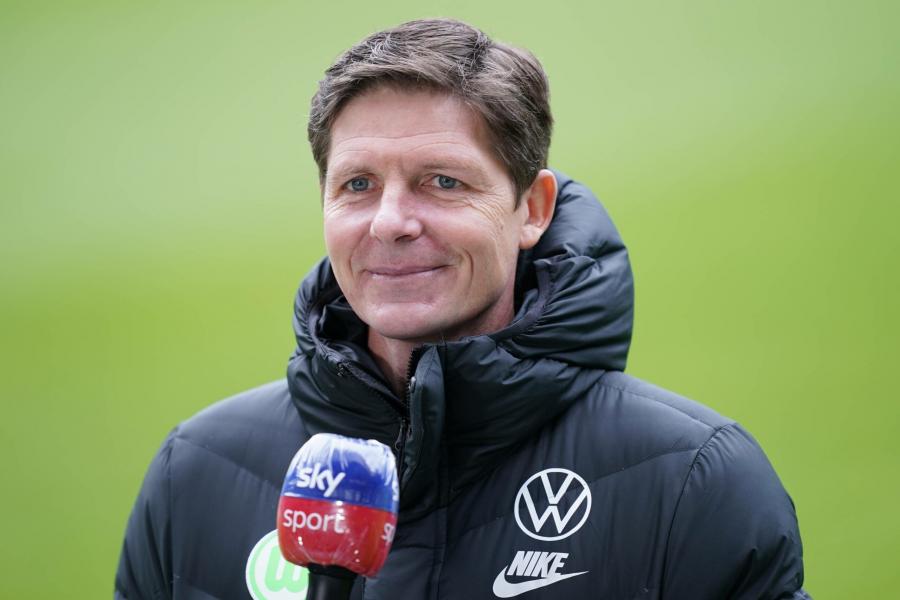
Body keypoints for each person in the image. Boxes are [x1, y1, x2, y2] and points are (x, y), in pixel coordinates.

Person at [116, 18, 809, 600]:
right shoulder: (194, 476)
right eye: (357, 184)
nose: (390, 221)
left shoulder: (693, 481)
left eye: (442, 182)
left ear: (532, 208)